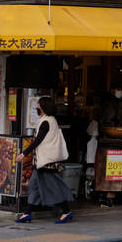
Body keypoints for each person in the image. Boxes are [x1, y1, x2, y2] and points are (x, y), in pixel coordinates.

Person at [16, 96, 73, 224]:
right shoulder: (50, 120)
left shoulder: (46, 122)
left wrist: (23, 154)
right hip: (42, 162)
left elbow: (38, 141)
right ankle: (27, 213)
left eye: (38, 104)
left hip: (46, 162)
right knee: (33, 186)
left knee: (54, 187)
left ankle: (66, 211)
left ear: (43, 107)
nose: (36, 106)